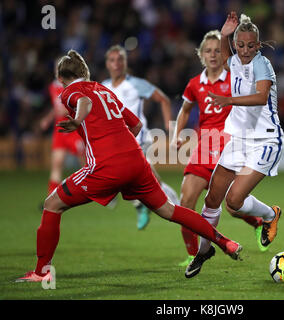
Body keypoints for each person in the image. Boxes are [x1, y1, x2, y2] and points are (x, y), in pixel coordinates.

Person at [16, 50, 242, 283]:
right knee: (169, 210)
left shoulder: (71, 91)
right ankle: (225, 242)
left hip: (106, 166)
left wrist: (79, 120)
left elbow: (82, 102)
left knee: (52, 204)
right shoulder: (105, 91)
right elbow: (135, 125)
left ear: (61, 77)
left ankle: (42, 272)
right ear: (85, 72)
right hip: (136, 162)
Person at [184, 12, 284, 279]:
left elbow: (262, 97)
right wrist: (226, 33)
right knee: (212, 199)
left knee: (234, 201)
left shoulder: (262, 65)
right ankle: (204, 251)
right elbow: (227, 52)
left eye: (251, 46)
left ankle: (270, 214)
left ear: (258, 45)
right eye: (240, 45)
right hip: (238, 139)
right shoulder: (236, 61)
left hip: (265, 140)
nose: (246, 51)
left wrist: (228, 102)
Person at [171, 30, 267, 267]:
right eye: (208, 51)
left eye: (217, 50)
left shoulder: (234, 78)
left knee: (232, 205)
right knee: (186, 201)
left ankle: (257, 223)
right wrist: (177, 136)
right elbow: (185, 110)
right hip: (204, 147)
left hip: (229, 146)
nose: (213, 55)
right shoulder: (195, 84)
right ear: (201, 55)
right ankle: (195, 253)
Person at [102, 45, 179, 230]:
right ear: (107, 64)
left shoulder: (136, 84)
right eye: (112, 60)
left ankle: (167, 206)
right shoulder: (103, 88)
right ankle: (171, 206)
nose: (116, 64)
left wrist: (170, 127)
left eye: (120, 59)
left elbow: (164, 99)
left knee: (127, 176)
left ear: (125, 63)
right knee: (146, 180)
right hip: (118, 145)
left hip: (138, 140)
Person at [40, 59, 85, 196]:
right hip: (59, 130)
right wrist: (48, 119)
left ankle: (100, 190)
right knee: (57, 163)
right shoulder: (53, 86)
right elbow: (57, 108)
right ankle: (52, 197)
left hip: (73, 129)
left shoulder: (74, 85)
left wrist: (66, 110)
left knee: (85, 161)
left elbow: (79, 104)